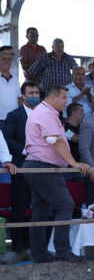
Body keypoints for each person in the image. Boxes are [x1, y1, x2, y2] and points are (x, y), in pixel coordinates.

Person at [24, 85, 92, 262]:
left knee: (41, 210)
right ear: (53, 98)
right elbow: (56, 141)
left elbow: (58, 141)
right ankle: (62, 250)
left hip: (40, 166)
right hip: (42, 167)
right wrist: (74, 163)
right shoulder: (46, 114)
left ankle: (40, 254)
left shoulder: (45, 112)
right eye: (63, 97)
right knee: (65, 205)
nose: (66, 101)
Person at [2, 81, 38, 253]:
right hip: (20, 164)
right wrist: (23, 150)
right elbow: (6, 139)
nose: (34, 96)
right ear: (23, 96)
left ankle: (33, 242)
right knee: (19, 204)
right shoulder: (14, 115)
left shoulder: (43, 114)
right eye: (30, 93)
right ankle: (17, 244)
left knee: (36, 204)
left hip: (40, 165)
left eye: (36, 93)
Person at [0, 46, 18, 122]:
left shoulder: (16, 79)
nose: (7, 61)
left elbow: (19, 98)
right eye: (4, 59)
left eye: (9, 59)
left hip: (14, 119)